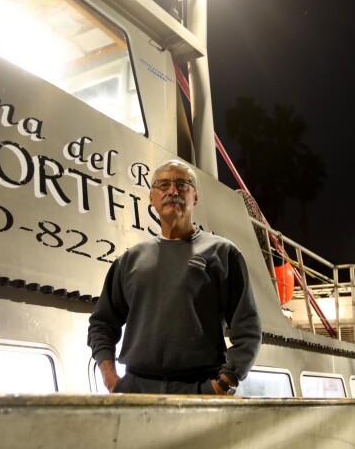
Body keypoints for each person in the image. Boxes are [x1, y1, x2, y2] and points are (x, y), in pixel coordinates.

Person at [87, 159, 262, 395]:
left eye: (182, 184)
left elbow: (248, 327)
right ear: (152, 197)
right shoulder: (129, 260)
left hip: (200, 389)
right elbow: (102, 323)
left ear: (195, 196)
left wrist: (224, 382)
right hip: (135, 389)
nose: (172, 191)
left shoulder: (223, 253)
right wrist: (111, 378)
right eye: (163, 185)